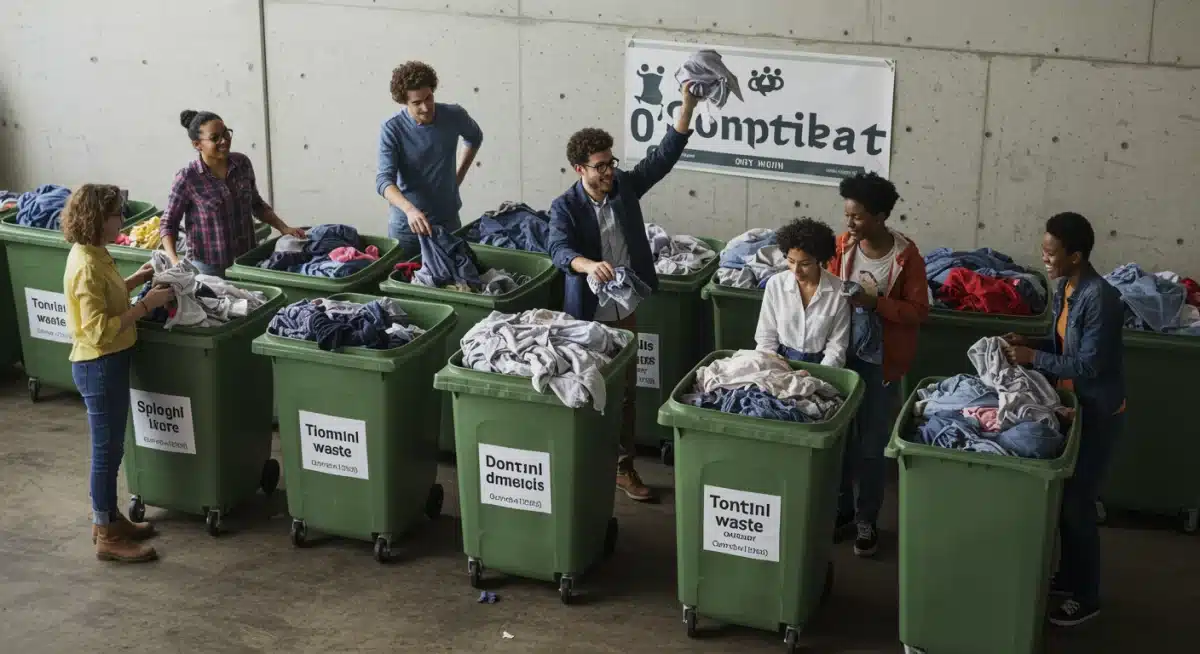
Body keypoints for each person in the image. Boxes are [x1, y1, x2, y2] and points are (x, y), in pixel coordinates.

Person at [548, 82, 699, 502]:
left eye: (609, 162)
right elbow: (558, 250)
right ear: (579, 169)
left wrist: (687, 105)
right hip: (587, 313)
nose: (607, 171)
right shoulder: (565, 207)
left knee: (627, 392)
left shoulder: (625, 189)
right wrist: (587, 264)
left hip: (623, 305)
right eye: (598, 166)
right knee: (586, 386)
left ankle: (623, 467)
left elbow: (663, 158)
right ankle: (584, 461)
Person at [1001, 212, 1125, 627]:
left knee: (1077, 506)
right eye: (1044, 251)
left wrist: (1033, 357)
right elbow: (1060, 342)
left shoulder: (1100, 298)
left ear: (1076, 255)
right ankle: (1070, 577)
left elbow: (1089, 365)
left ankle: (1087, 597)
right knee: (1067, 503)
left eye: (1052, 254)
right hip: (1074, 406)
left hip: (1099, 411)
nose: (1045, 259)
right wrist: (1029, 342)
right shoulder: (1067, 287)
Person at [62, 184, 174, 563]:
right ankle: (107, 535)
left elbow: (107, 299)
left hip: (107, 361)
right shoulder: (87, 268)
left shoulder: (93, 252)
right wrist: (146, 305)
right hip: (100, 364)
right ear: (98, 219)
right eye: (116, 216)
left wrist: (135, 281)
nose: (122, 221)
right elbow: (98, 329)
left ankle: (108, 519)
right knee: (105, 454)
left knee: (111, 449)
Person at [826, 172, 929, 557]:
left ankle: (867, 518)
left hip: (880, 363)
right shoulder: (842, 247)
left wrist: (875, 304)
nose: (849, 224)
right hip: (840, 354)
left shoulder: (904, 256)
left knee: (871, 446)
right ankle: (841, 511)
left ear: (881, 216)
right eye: (847, 215)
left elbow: (919, 312)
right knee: (837, 438)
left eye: (857, 217)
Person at [161, 109, 305, 277]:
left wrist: (284, 228)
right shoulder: (187, 177)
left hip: (246, 261)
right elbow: (168, 224)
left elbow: (256, 204)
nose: (224, 141)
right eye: (215, 138)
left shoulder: (242, 164)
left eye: (226, 134)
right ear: (197, 144)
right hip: (208, 268)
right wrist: (174, 260)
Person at [376, 61, 484, 259]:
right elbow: (384, 182)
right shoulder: (392, 129)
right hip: (407, 230)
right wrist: (409, 210)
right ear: (404, 102)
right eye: (417, 103)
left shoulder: (454, 115)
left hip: (448, 223)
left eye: (429, 98)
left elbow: (475, 137)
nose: (426, 107)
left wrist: (456, 179)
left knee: (456, 282)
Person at [755, 218, 850, 367]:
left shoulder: (838, 291)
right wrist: (771, 366)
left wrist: (822, 376)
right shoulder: (776, 285)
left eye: (805, 264)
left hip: (821, 364)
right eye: (791, 261)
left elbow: (836, 348)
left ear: (820, 260)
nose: (796, 270)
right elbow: (766, 338)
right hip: (779, 360)